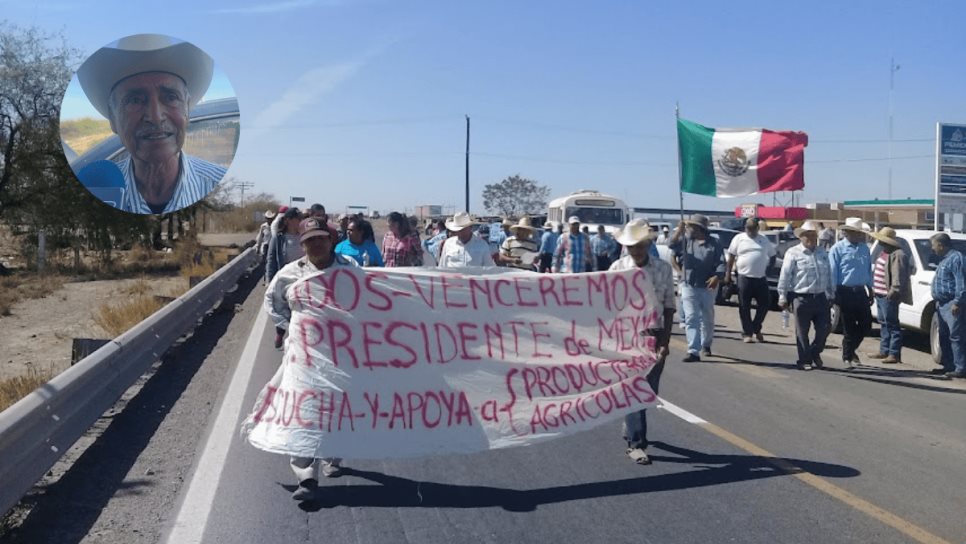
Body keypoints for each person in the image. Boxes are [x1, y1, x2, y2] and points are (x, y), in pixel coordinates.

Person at [76, 34, 226, 214]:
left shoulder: (218, 183)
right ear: (113, 120)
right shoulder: (98, 189)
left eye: (171, 97)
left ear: (187, 110)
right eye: (135, 100)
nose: (155, 117)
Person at [263, 217, 357, 501]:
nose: (317, 243)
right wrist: (292, 325)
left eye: (321, 238)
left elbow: (367, 298)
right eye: (310, 240)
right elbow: (273, 301)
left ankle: (333, 457)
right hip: (303, 354)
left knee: (336, 407)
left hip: (341, 354)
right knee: (302, 410)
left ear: (330, 240)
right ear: (302, 244)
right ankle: (306, 478)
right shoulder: (289, 273)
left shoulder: (350, 269)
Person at [609, 220, 675, 465]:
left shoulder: (663, 269)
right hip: (627, 336)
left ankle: (631, 421)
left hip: (653, 334)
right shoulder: (617, 268)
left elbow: (669, 307)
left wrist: (665, 342)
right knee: (636, 389)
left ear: (648, 244)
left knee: (648, 391)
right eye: (630, 246)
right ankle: (637, 444)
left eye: (639, 245)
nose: (635, 251)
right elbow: (608, 306)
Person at [777, 221, 834, 370]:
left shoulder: (822, 252)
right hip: (801, 298)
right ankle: (804, 360)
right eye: (807, 235)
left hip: (820, 297)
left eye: (813, 235)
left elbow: (828, 274)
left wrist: (831, 293)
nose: (810, 238)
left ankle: (814, 352)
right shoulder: (793, 253)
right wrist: (782, 296)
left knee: (825, 328)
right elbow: (785, 276)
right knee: (802, 332)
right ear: (801, 237)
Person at [669, 214, 723, 361]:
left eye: (690, 226)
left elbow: (721, 262)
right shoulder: (686, 241)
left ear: (699, 228)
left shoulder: (714, 243)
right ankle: (693, 350)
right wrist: (679, 231)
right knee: (691, 317)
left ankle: (706, 344)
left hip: (707, 286)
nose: (688, 228)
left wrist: (717, 276)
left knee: (707, 317)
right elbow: (671, 245)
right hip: (688, 284)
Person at [828, 217, 874, 370]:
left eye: (859, 233)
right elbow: (833, 271)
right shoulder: (837, 249)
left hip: (860, 291)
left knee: (866, 325)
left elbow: (868, 270)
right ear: (846, 232)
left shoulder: (864, 248)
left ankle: (850, 349)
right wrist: (833, 292)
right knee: (849, 326)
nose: (858, 235)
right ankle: (847, 356)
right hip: (844, 291)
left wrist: (870, 288)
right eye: (854, 232)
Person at [725, 217, 776, 343]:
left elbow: (773, 256)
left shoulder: (763, 240)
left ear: (758, 228)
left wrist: (768, 270)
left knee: (765, 303)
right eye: (748, 228)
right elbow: (731, 256)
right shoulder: (739, 238)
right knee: (744, 306)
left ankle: (756, 327)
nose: (750, 231)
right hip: (744, 277)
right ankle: (747, 333)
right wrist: (728, 274)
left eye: (753, 228)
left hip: (760, 278)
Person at [867, 227, 911, 364]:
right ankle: (884, 350)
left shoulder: (898, 254)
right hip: (880, 293)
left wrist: (894, 290)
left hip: (889, 295)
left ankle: (894, 353)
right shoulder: (884, 252)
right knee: (883, 323)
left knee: (892, 324)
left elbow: (899, 275)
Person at [266, 208, 304, 348]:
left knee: (299, 310)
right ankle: (280, 333)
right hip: (285, 280)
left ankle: (296, 338)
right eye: (297, 219)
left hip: (301, 279)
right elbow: (271, 259)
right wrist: (269, 280)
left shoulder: (304, 236)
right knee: (283, 309)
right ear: (288, 220)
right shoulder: (279, 238)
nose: (300, 222)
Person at [929, 233, 966, 379]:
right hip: (941, 304)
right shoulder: (944, 260)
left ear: (941, 245)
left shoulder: (956, 259)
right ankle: (948, 365)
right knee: (944, 336)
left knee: (956, 336)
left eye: (933, 245)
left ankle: (960, 367)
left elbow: (961, 283)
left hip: (952, 304)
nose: (932, 249)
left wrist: (958, 302)